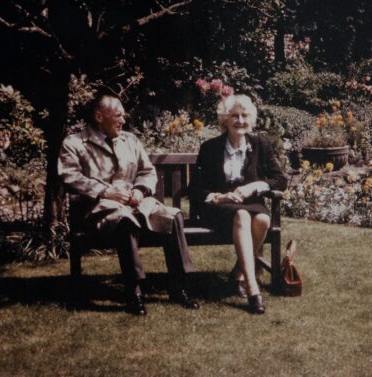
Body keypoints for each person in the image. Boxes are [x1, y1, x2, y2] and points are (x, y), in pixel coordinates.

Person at [58, 95, 199, 315]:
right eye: (118, 115)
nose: (123, 120)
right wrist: (105, 191)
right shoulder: (74, 143)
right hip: (98, 209)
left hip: (136, 204)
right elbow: (69, 176)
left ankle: (179, 286)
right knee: (125, 222)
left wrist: (140, 190)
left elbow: (147, 171)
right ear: (98, 116)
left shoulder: (130, 140)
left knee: (173, 215)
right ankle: (134, 291)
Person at [191, 94, 287, 314]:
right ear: (225, 119)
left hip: (250, 202)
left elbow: (280, 179)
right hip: (219, 207)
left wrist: (254, 187)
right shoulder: (210, 148)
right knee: (243, 216)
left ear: (251, 119)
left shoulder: (260, 144)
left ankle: (237, 273)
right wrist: (219, 197)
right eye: (234, 116)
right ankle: (253, 289)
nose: (240, 121)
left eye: (245, 116)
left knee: (263, 218)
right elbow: (196, 189)